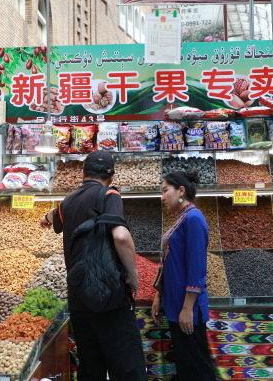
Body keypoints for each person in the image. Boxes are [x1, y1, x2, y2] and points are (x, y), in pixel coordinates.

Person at [39, 151, 145, 381]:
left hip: (79, 300)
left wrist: (46, 217)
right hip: (110, 298)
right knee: (127, 368)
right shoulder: (109, 194)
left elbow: (52, 216)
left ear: (83, 173)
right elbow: (121, 237)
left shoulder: (69, 201)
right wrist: (133, 275)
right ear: (111, 175)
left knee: (90, 368)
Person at [152, 170, 215, 381]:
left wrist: (187, 308)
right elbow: (170, 261)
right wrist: (159, 296)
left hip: (187, 309)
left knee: (197, 366)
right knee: (186, 365)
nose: (162, 197)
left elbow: (197, 268)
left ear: (181, 191)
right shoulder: (183, 218)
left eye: (165, 191)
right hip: (175, 305)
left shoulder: (194, 219)